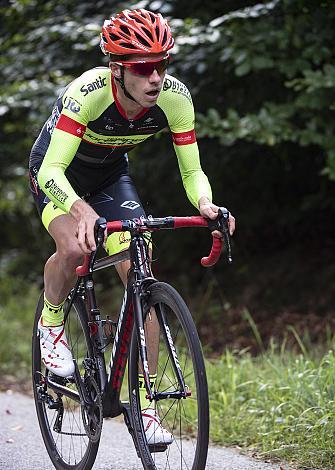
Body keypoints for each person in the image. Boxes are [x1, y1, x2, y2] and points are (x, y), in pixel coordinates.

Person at [29, 8, 235, 445]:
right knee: (74, 247)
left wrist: (205, 203)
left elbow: (192, 171)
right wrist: (79, 209)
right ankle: (52, 322)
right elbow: (51, 170)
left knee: (141, 275)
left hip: (109, 177)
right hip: (57, 172)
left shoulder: (176, 99)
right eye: (143, 68)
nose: (155, 78)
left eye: (161, 65)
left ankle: (146, 408)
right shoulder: (87, 94)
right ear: (116, 70)